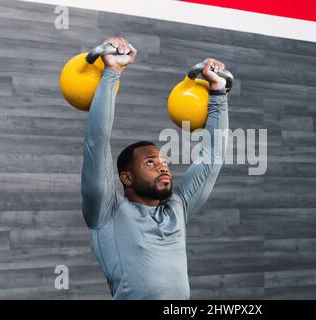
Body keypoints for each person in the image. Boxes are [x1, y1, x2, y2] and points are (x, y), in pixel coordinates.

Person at [80, 37, 229, 299]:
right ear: (126, 177)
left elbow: (213, 157)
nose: (163, 167)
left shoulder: (177, 208)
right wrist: (112, 72)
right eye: (151, 162)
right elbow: (98, 140)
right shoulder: (107, 211)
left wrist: (217, 93)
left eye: (163, 161)